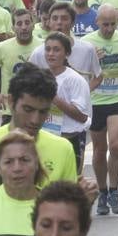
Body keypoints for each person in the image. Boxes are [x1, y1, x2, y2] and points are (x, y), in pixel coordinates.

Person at [0, 65, 82, 205]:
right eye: (28, 109)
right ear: (11, 102)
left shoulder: (63, 149)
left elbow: (70, 207)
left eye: (43, 112)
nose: (35, 120)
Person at [84, 6, 118, 215]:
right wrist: (92, 60)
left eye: (112, 24)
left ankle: (114, 190)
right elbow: (78, 69)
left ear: (117, 22)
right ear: (97, 22)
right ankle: (102, 191)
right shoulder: (87, 42)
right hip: (96, 100)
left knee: (115, 145)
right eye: (104, 24)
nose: (108, 28)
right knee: (99, 150)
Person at [38, 32, 93, 169]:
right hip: (44, 140)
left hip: (69, 140)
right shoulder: (39, 77)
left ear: (66, 53)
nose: (51, 54)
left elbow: (82, 117)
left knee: (69, 186)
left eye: (56, 50)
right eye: (48, 49)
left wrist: (54, 98)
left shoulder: (75, 80)